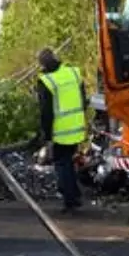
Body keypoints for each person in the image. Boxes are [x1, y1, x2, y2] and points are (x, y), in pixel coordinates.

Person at [35, 48, 88, 212]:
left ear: (42, 64)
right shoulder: (73, 72)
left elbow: (46, 112)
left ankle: (70, 200)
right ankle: (76, 195)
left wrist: (46, 135)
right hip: (77, 126)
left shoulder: (47, 81)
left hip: (60, 130)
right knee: (68, 161)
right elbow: (83, 98)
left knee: (61, 163)